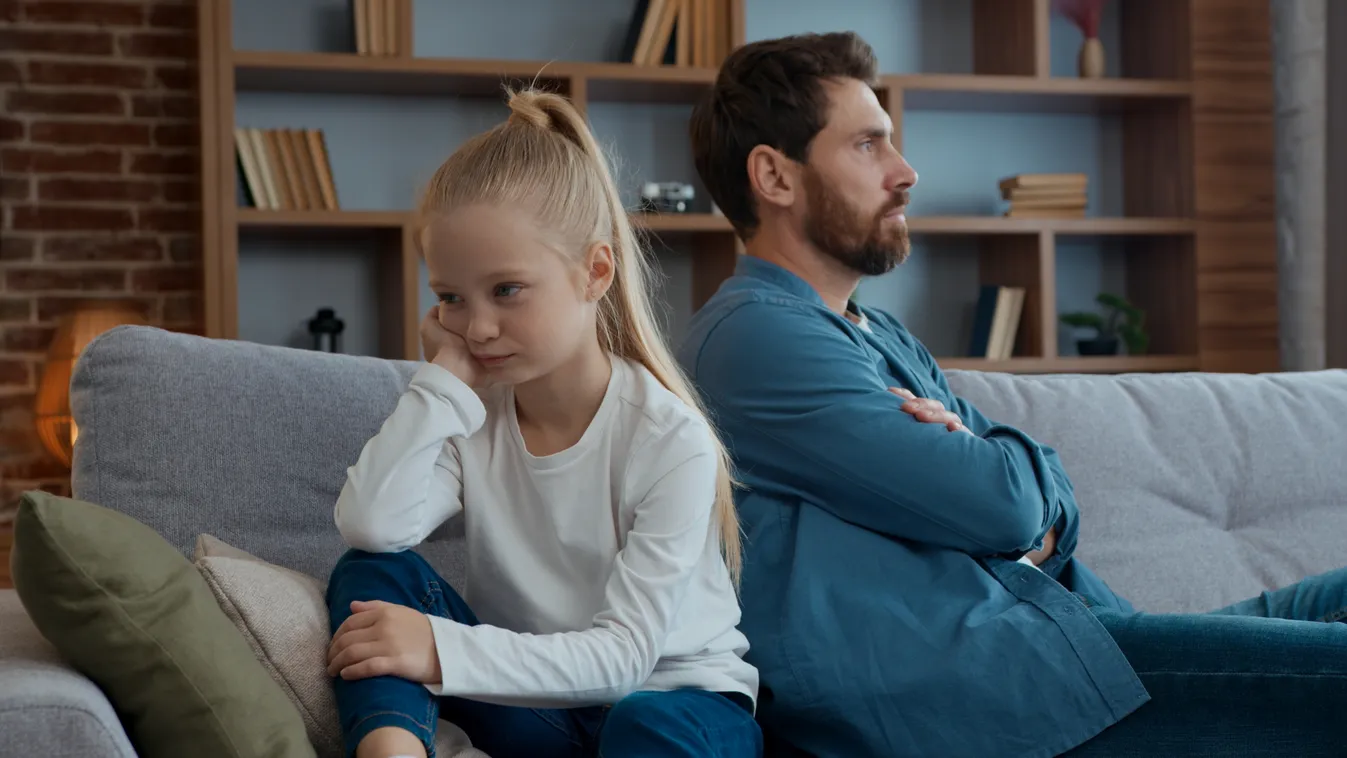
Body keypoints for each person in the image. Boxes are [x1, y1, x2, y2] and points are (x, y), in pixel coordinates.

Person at [677, 31, 1347, 758]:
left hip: (1071, 642)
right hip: (998, 693)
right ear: (774, 177)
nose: (904, 173)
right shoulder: (756, 342)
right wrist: (1004, 487)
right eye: (867, 146)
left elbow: (1031, 500)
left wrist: (999, 477)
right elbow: (1007, 504)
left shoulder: (878, 335)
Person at [323, 88, 762, 758]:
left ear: (594, 272)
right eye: (450, 298)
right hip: (540, 705)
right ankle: (392, 751)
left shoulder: (668, 440)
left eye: (506, 290)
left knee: (643, 726)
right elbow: (372, 524)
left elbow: (622, 663)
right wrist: (442, 382)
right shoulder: (472, 413)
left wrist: (438, 648)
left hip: (675, 707)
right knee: (371, 572)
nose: (478, 327)